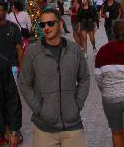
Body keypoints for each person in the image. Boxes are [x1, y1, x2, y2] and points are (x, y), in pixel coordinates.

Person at [19, 8, 90, 147]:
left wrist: (77, 104)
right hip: (44, 129)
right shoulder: (33, 53)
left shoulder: (74, 50)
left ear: (60, 24)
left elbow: (84, 78)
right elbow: (24, 83)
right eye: (42, 24)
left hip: (73, 127)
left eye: (50, 23)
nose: (46, 27)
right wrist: (39, 109)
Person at [0, 0, 24, 80]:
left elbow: (19, 49)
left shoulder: (13, 28)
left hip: (11, 67)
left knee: (11, 92)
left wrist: (22, 69)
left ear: (5, 12)